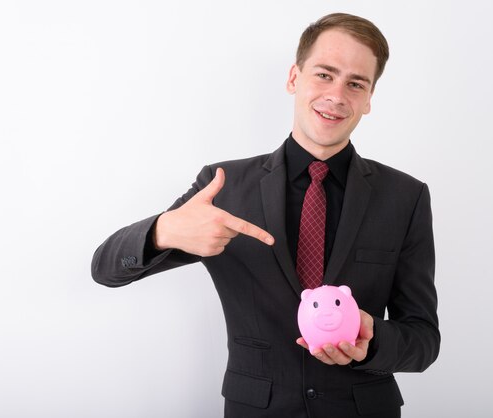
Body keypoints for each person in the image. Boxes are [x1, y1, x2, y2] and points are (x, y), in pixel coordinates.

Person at [91, 12, 439, 418]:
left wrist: (373, 340)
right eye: (324, 74)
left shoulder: (404, 196)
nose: (337, 95)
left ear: (368, 99)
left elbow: (423, 340)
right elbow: (105, 269)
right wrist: (163, 231)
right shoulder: (224, 187)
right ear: (294, 78)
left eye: (355, 83)